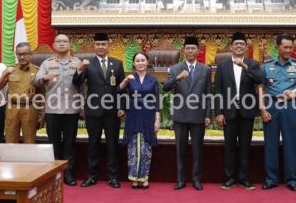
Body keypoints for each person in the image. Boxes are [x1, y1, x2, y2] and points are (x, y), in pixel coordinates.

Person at [73, 33, 126, 189]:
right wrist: (80, 69)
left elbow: (122, 88)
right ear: (94, 46)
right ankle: (91, 176)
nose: (101, 47)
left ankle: (113, 177)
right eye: (98, 44)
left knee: (112, 144)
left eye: (103, 44)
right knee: (93, 144)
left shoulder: (117, 64)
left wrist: (122, 106)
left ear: (108, 45)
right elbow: (76, 82)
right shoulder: (88, 64)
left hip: (112, 111)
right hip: (93, 110)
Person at [259, 34, 296, 191]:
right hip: (271, 106)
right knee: (270, 143)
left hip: (290, 106)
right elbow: (260, 88)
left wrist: (294, 92)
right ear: (277, 48)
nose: (288, 50)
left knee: (291, 143)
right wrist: (262, 108)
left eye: (291, 47)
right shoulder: (266, 66)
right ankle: (271, 179)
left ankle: (292, 179)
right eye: (285, 47)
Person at [215, 32, 263, 190]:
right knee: (229, 147)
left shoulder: (253, 64)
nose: (239, 46)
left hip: (246, 111)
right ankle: (229, 178)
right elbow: (218, 90)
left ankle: (243, 178)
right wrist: (219, 112)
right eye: (236, 44)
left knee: (245, 146)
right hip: (228, 112)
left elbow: (259, 80)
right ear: (231, 46)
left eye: (242, 44)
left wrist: (245, 67)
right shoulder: (222, 65)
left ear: (246, 47)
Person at [163, 36, 212, 191]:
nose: (190, 51)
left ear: (198, 50)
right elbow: (165, 87)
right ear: (183, 50)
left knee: (197, 150)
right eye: (187, 48)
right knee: (180, 150)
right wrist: (178, 78)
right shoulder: (175, 68)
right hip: (181, 115)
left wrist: (208, 114)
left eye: (193, 48)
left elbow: (208, 94)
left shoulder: (205, 69)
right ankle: (181, 179)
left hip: (198, 115)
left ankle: (196, 179)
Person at [35, 34, 82, 186]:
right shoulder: (47, 63)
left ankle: (68, 173)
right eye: (59, 41)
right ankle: (55, 174)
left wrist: (82, 105)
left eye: (65, 41)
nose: (62, 44)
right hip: (52, 110)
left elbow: (82, 86)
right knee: (53, 143)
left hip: (71, 109)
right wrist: (44, 78)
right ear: (54, 45)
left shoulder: (77, 63)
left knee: (69, 144)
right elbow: (36, 81)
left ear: (70, 45)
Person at [118, 52, 160, 189]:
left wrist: (157, 119)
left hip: (148, 114)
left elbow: (157, 100)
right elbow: (118, 90)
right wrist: (126, 80)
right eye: (137, 61)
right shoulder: (130, 79)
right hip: (133, 115)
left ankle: (144, 177)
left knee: (145, 147)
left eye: (143, 60)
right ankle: (134, 178)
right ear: (134, 63)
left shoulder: (153, 80)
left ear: (147, 62)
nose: (140, 63)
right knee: (133, 146)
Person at [0, 42, 40, 144]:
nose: (22, 57)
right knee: (10, 141)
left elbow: (42, 94)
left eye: (25, 54)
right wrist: (5, 74)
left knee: (29, 142)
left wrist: (41, 116)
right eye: (19, 54)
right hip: (12, 108)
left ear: (31, 55)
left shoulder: (37, 71)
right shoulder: (10, 70)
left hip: (30, 108)